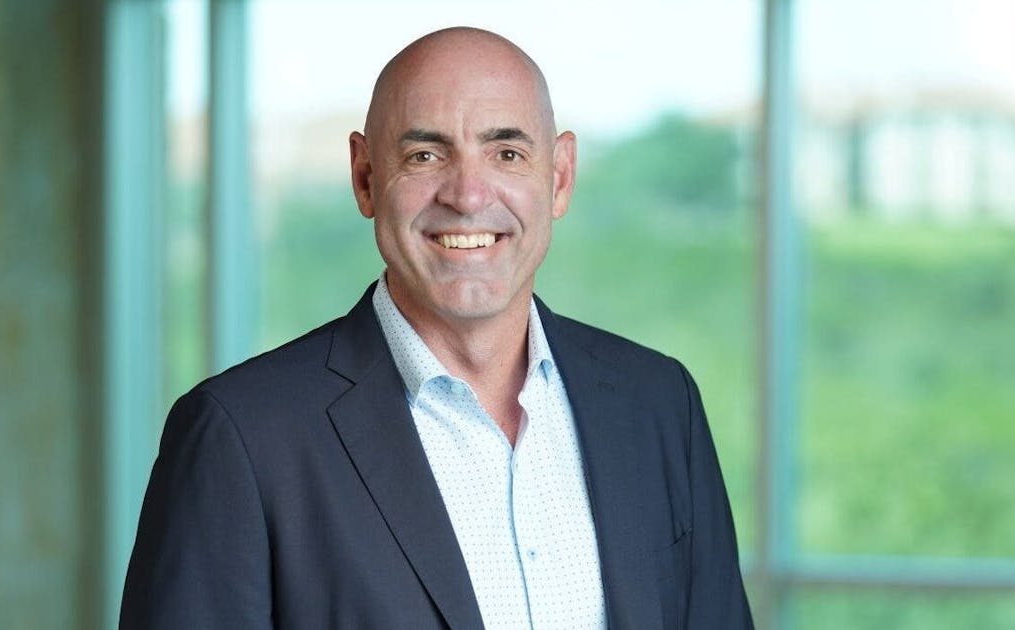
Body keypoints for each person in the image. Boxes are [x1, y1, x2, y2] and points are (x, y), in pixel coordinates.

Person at [120, 26, 753, 629]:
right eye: (425, 155)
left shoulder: (658, 403)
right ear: (366, 178)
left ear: (559, 177)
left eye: (507, 153)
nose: (468, 195)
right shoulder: (242, 436)